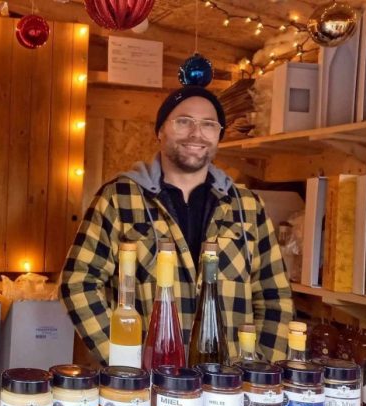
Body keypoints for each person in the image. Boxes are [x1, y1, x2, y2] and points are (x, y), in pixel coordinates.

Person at [60, 85, 294, 365]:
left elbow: (274, 296)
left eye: (209, 124)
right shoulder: (120, 197)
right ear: (160, 131)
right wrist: (124, 362)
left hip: (228, 389)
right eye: (183, 122)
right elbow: (79, 282)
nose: (196, 134)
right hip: (148, 386)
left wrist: (261, 376)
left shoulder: (247, 206)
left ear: (219, 135)